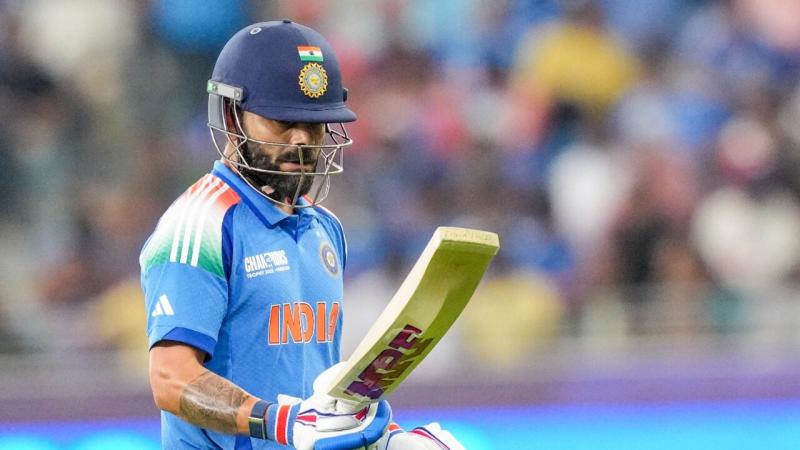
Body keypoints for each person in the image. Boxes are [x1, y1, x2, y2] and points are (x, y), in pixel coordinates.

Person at [139, 20, 465, 450]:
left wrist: (385, 440)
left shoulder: (325, 228)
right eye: (281, 120)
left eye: (314, 123)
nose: (300, 139)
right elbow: (170, 378)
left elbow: (316, 406)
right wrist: (280, 422)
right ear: (233, 117)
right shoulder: (200, 225)